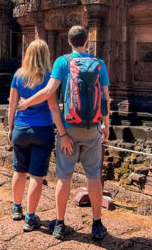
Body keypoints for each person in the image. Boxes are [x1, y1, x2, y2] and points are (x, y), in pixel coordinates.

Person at [18, 25, 110, 241]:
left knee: (64, 176)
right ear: (87, 41)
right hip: (93, 128)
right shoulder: (99, 63)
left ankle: (59, 223)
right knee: (94, 177)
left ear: (69, 42)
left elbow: (49, 92)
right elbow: (106, 97)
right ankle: (97, 224)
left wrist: (25, 104)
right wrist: (105, 124)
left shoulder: (62, 62)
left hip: (68, 128)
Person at [8, 39, 72, 232]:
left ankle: (16, 208)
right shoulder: (48, 77)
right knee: (36, 175)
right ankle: (30, 217)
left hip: (20, 127)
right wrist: (63, 132)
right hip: (42, 129)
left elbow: (12, 105)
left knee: (19, 170)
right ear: (46, 55)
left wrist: (10, 128)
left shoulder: (18, 76)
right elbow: (53, 107)